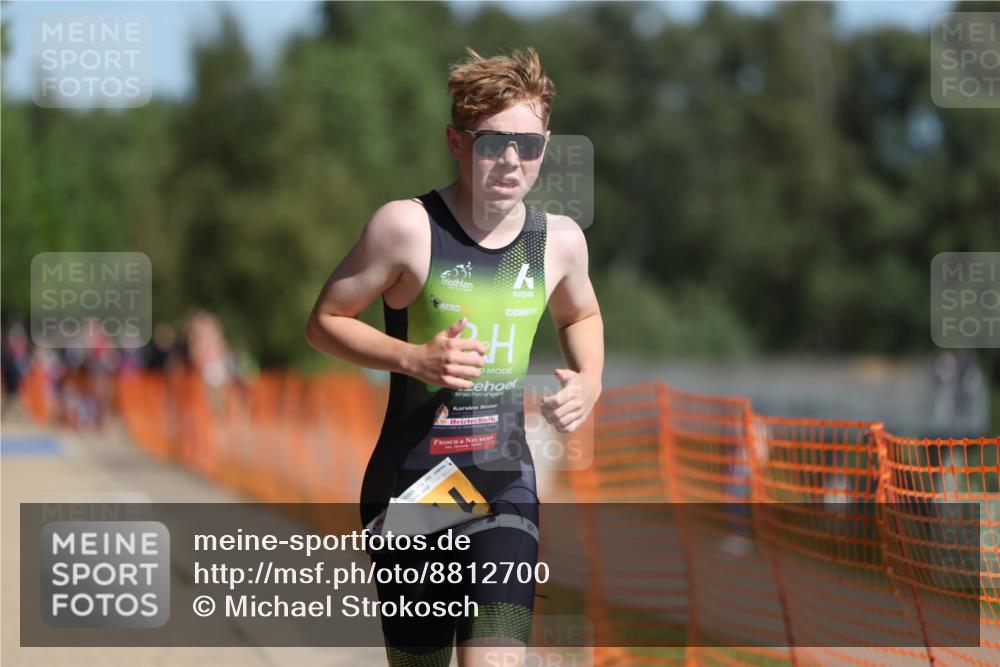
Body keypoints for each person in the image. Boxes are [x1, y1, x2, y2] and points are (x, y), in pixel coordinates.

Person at [306, 47, 603, 667]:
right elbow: (325, 323)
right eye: (494, 142)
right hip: (414, 490)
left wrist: (591, 379)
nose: (513, 160)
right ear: (456, 142)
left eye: (531, 144)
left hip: (504, 484)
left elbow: (581, 315)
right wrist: (414, 359)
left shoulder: (558, 241)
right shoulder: (407, 229)